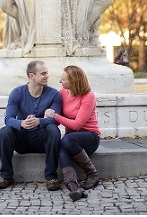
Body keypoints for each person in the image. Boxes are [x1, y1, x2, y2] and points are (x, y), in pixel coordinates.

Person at [0, 60, 62, 191]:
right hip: (22, 140)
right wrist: (22, 123)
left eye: (47, 73)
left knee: (53, 130)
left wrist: (39, 121)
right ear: (31, 75)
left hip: (42, 140)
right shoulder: (17, 92)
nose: (47, 76)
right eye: (43, 73)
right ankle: (6, 176)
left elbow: (56, 120)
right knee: (5, 131)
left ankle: (51, 177)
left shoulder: (54, 94)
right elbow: (8, 119)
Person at [45, 65, 101, 201]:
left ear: (74, 81)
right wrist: (46, 115)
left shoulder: (88, 96)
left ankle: (92, 173)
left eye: (63, 79)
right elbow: (58, 121)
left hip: (90, 137)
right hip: (70, 140)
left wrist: (55, 116)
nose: (60, 81)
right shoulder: (62, 93)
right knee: (62, 146)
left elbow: (77, 125)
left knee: (66, 140)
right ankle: (74, 187)